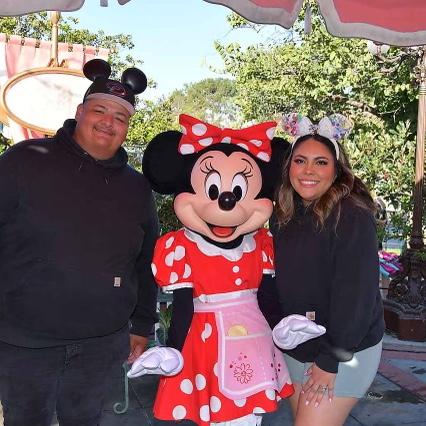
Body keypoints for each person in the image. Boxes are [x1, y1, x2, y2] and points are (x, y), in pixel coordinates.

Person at [0, 58, 159, 426]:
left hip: (100, 344)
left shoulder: (136, 187)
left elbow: (146, 260)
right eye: (100, 110)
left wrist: (142, 325)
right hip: (25, 343)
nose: (108, 122)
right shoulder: (24, 160)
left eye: (121, 117)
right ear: (80, 112)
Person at [259, 113, 385, 426]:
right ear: (289, 167)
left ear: (336, 169)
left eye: (321, 162)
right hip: (297, 347)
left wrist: (330, 360)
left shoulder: (352, 216)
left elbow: (356, 297)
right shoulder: (283, 214)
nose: (309, 171)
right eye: (300, 161)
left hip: (345, 350)